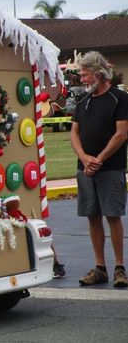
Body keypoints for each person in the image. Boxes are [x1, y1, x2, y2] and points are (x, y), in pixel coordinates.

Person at [70, 51, 128, 287]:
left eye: (85, 75)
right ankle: (100, 267)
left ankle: (120, 268)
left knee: (113, 216)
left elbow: (122, 133)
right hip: (85, 169)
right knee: (92, 216)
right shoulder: (83, 100)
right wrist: (85, 158)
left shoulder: (120, 98)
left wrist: (99, 159)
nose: (82, 79)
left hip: (111, 168)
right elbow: (74, 132)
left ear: (99, 74)